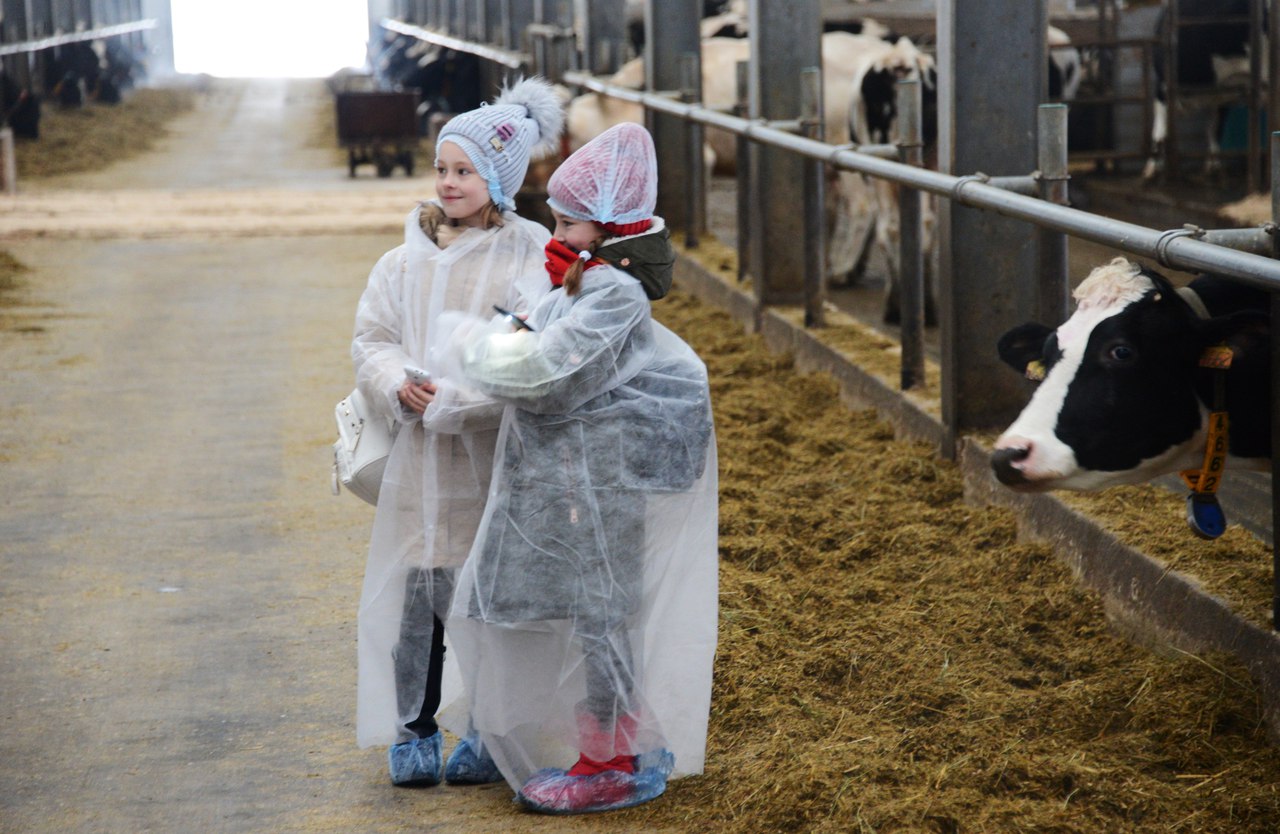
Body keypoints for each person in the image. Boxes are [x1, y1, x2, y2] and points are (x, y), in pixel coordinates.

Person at [437, 122, 719, 814]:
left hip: (600, 484)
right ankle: (601, 746)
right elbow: (538, 335)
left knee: (603, 619)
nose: (554, 230)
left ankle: (614, 759)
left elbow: (545, 376)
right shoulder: (584, 280)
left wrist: (471, 346)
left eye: (567, 220)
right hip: (572, 483)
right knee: (590, 618)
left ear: (610, 227)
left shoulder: (613, 294)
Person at [349, 76, 564, 788]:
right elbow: (372, 338)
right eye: (442, 168)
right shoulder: (401, 259)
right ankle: (413, 728)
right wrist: (394, 383)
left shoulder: (528, 256)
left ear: (500, 179)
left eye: (466, 170)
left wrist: (456, 398)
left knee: (486, 598)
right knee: (417, 597)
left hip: (490, 456)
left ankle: (487, 726)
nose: (449, 182)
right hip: (418, 460)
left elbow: (531, 351)